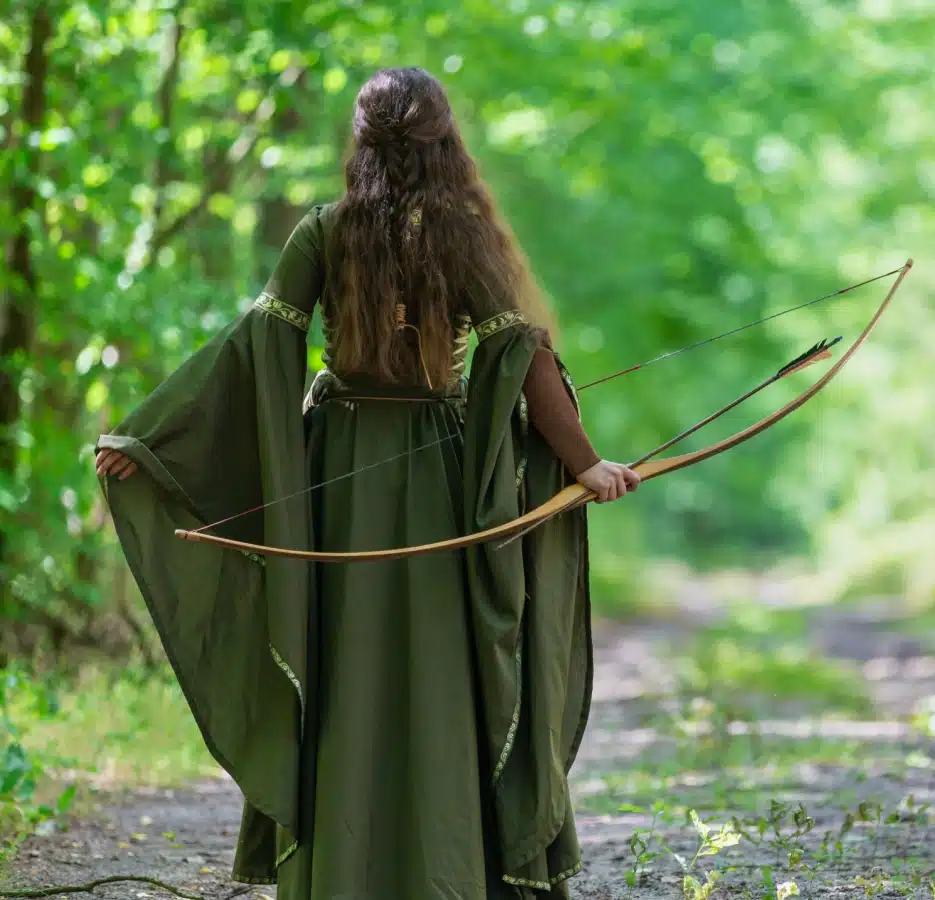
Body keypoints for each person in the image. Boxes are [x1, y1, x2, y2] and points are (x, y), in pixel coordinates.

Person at [91, 67, 638, 899]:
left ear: (363, 142)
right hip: (437, 472)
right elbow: (521, 354)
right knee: (432, 663)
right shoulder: (461, 234)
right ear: (443, 142)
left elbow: (252, 348)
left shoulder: (326, 228)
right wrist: (584, 459)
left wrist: (153, 438)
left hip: (338, 479)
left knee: (351, 659)